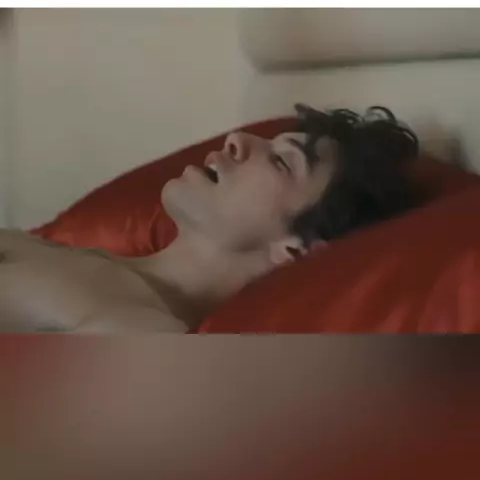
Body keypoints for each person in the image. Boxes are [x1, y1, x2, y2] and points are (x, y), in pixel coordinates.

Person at [0, 105, 419, 333]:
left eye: (281, 162)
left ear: (295, 250)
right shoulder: (70, 257)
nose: (236, 140)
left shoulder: (140, 327)